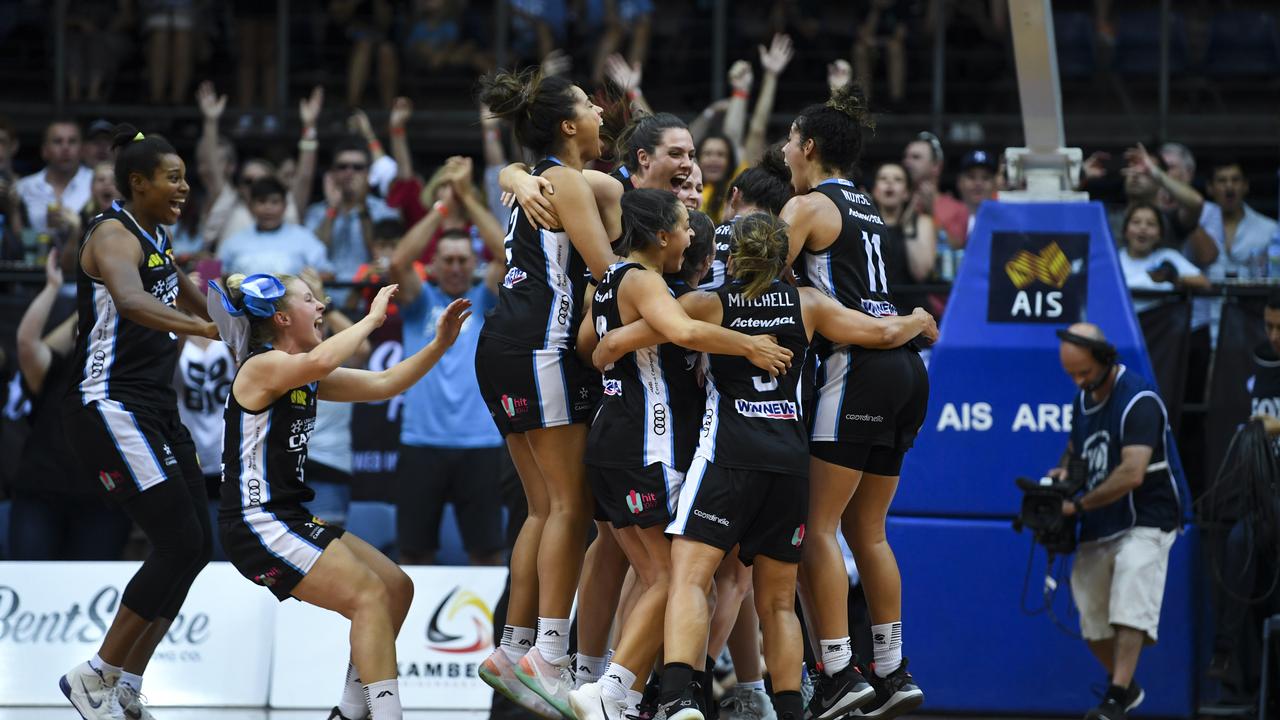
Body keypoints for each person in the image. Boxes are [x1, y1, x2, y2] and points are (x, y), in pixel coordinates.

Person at [591, 212, 936, 720]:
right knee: (777, 602)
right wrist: (917, 321)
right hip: (789, 462)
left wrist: (608, 348)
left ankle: (680, 696)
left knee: (689, 577)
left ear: (731, 257)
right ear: (784, 258)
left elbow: (612, 345)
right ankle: (791, 709)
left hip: (727, 454)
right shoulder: (809, 303)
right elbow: (882, 335)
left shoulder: (708, 302)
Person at [566, 191, 794, 720]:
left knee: (659, 578)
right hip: (647, 443)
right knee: (672, 581)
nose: (692, 237)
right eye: (684, 228)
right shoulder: (643, 280)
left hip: (614, 438)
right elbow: (685, 330)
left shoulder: (609, 281)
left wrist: (614, 344)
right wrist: (750, 344)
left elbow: (587, 345)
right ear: (662, 235)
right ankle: (610, 691)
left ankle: (622, 693)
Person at [210, 273, 469, 720]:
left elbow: (386, 382)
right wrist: (371, 318)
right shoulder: (261, 366)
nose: (321, 306)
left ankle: (349, 712)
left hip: (287, 516)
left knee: (396, 589)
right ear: (283, 317)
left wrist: (439, 345)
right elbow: (322, 360)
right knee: (368, 595)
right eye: (310, 300)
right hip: (256, 522)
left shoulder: (306, 372)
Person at [472, 67, 621, 716]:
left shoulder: (547, 179)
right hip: (542, 346)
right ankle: (549, 657)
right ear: (568, 125)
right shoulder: (564, 180)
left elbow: (589, 187)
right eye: (589, 107)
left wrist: (510, 171)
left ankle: (512, 647)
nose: (600, 114)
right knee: (570, 507)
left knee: (542, 508)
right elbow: (606, 271)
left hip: (504, 344)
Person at [59, 125, 219, 720]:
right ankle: (94, 673)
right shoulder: (111, 233)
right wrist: (200, 328)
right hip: (109, 403)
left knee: (195, 546)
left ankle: (125, 683)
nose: (184, 187)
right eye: (172, 178)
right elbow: (129, 299)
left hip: (155, 404)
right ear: (138, 183)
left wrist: (238, 326)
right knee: (177, 540)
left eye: (184, 177)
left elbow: (181, 286)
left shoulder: (156, 235)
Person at [780, 84, 929, 720]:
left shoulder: (808, 205)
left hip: (857, 368)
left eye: (790, 140)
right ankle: (894, 670)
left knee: (818, 525)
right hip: (905, 369)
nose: (785, 151)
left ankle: (840, 671)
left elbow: (754, 281)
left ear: (809, 147)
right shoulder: (870, 208)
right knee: (869, 530)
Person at [1052, 324, 1184, 720]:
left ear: (1106, 359)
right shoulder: (1082, 400)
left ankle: (1116, 695)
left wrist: (1077, 506)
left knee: (1130, 582)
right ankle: (1125, 686)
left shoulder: (1139, 399)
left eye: (1084, 372)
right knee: (1091, 613)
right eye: (1071, 374)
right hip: (1102, 518)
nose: (1079, 381)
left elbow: (1132, 473)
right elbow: (1075, 452)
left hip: (1149, 515)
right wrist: (1059, 480)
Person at [390, 156, 511, 567]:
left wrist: (466, 197)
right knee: (413, 551)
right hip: (421, 444)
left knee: (489, 551)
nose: (457, 267)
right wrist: (442, 208)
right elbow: (398, 263)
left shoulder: (484, 298)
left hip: (480, 443)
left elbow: (504, 253)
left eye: (464, 260)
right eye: (449, 260)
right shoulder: (419, 301)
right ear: (436, 264)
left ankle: (493, 633)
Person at [11, 250, 132, 560]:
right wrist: (54, 286)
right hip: (40, 496)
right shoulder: (55, 371)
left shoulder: (130, 375)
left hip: (103, 501)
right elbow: (26, 344)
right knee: (29, 583)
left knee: (93, 587)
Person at [305, 137, 402, 295]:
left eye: (357, 167)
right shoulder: (317, 212)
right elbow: (312, 254)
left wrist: (361, 203)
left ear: (368, 173)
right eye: (342, 167)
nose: (349, 172)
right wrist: (332, 210)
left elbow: (380, 253)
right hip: (324, 297)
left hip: (368, 296)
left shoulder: (383, 210)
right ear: (333, 173)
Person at [218, 177, 333, 277]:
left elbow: (328, 273)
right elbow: (217, 277)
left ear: (285, 206)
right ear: (250, 206)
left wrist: (300, 284)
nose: (268, 207)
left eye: (274, 202)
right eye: (262, 201)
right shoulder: (234, 241)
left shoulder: (303, 238)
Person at [870, 162, 937, 315]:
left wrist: (908, 227)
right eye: (883, 178)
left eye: (898, 179)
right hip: (873, 311)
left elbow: (921, 273)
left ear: (907, 193)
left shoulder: (921, 223)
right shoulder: (862, 224)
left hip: (912, 311)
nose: (890, 183)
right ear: (874, 190)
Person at [1116, 202, 1208, 313]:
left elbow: (1204, 283)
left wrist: (1173, 278)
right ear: (1125, 230)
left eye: (1151, 224)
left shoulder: (1168, 256)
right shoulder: (1114, 260)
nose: (1143, 228)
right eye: (1136, 222)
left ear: (1160, 234)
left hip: (1160, 327)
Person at [18, 119, 93, 234]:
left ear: (82, 150)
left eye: (72, 141)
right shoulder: (24, 187)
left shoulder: (96, 181)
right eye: (58, 141)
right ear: (44, 151)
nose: (65, 148)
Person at [901, 131, 966, 248]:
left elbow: (955, 250)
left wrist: (930, 213)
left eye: (916, 157)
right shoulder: (896, 201)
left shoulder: (956, 209)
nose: (907, 162)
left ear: (936, 166)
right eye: (906, 156)